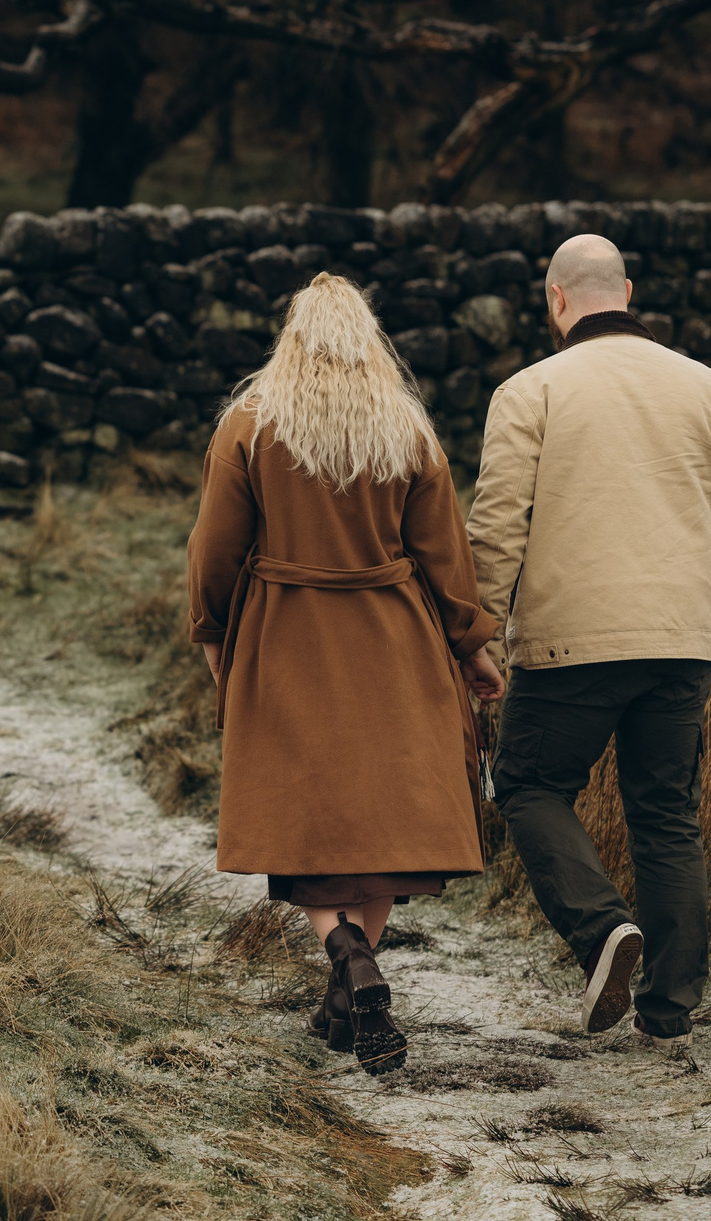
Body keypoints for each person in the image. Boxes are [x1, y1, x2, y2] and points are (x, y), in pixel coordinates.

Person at [186, 272, 506, 1076]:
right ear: (369, 340)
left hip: (284, 635)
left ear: (292, 337)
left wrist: (214, 632)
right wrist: (472, 643)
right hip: (391, 640)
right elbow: (445, 552)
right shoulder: (405, 426)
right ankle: (350, 975)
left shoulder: (250, 425)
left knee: (303, 824)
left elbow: (213, 549)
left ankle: (344, 956)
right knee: (379, 831)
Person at [466, 233, 711, 1053]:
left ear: (556, 301)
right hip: (683, 641)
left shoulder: (528, 390)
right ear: (627, 291)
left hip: (571, 642)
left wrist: (476, 634)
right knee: (667, 814)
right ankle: (670, 1011)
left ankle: (603, 929)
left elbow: (495, 524)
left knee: (529, 784)